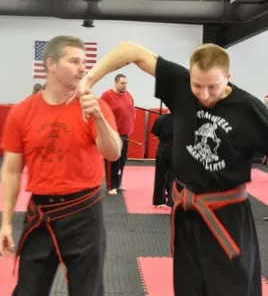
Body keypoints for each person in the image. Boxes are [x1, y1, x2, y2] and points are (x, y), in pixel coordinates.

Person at [76, 41, 268, 296]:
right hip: (186, 211)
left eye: (213, 86)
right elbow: (129, 51)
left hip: (227, 215)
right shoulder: (181, 85)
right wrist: (87, 80)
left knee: (231, 288)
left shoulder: (249, 109)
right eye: (197, 85)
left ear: (228, 77)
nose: (204, 94)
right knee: (188, 286)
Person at [0, 35, 122, 296]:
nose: (83, 68)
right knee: (28, 291)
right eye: (74, 61)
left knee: (88, 291)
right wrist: (5, 223)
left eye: (84, 62)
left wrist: (98, 118)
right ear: (51, 64)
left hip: (85, 213)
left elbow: (113, 153)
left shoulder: (94, 106)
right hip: (41, 212)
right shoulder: (22, 112)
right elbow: (10, 171)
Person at [100, 74, 135, 195]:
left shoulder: (128, 94)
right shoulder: (107, 95)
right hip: (113, 133)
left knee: (122, 160)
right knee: (112, 160)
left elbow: (131, 110)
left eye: (126, 83)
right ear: (115, 83)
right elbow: (101, 114)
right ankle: (111, 186)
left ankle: (118, 184)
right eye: (122, 83)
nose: (125, 86)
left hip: (126, 133)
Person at [151, 112, 174, 208]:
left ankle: (159, 201)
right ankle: (172, 201)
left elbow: (155, 136)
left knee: (160, 175)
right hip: (176, 151)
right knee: (174, 177)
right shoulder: (183, 120)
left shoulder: (161, 119)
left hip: (162, 150)